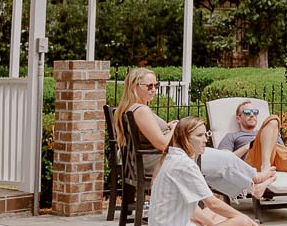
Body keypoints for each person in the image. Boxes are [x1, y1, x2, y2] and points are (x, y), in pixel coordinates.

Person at [114, 69, 273, 199]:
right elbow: (162, 144)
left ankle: (251, 189)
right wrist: (175, 128)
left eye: (156, 85)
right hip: (159, 163)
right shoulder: (141, 110)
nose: (154, 89)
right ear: (134, 87)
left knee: (216, 168)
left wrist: (169, 128)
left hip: (156, 161)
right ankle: (256, 178)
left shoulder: (130, 109)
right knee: (226, 158)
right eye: (149, 86)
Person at [148, 116, 265, 226]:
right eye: (199, 135)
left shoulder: (171, 159)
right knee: (243, 222)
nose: (205, 140)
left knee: (213, 214)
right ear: (185, 138)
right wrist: (248, 221)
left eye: (206, 134)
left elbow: (195, 209)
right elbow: (213, 202)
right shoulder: (185, 164)